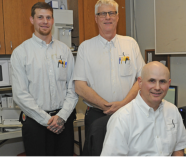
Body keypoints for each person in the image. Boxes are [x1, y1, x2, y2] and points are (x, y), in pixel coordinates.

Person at [73, 0, 145, 156]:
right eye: (102, 13)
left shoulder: (130, 44)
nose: (107, 17)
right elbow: (79, 86)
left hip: (128, 113)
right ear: (96, 18)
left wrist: (122, 104)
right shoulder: (86, 48)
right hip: (97, 115)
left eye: (111, 13)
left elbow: (142, 79)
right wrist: (105, 106)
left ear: (117, 17)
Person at [10, 2, 78, 157]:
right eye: (40, 17)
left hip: (63, 121)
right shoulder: (21, 53)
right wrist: (47, 120)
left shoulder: (65, 51)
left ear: (53, 21)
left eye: (48, 17)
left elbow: (72, 88)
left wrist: (61, 117)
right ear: (32, 20)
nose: (45, 21)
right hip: (35, 123)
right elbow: (20, 94)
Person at [101, 61, 186, 157]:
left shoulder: (172, 111)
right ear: (140, 82)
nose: (157, 87)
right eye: (152, 81)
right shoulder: (122, 118)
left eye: (162, 81)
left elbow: (179, 147)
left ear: (169, 83)